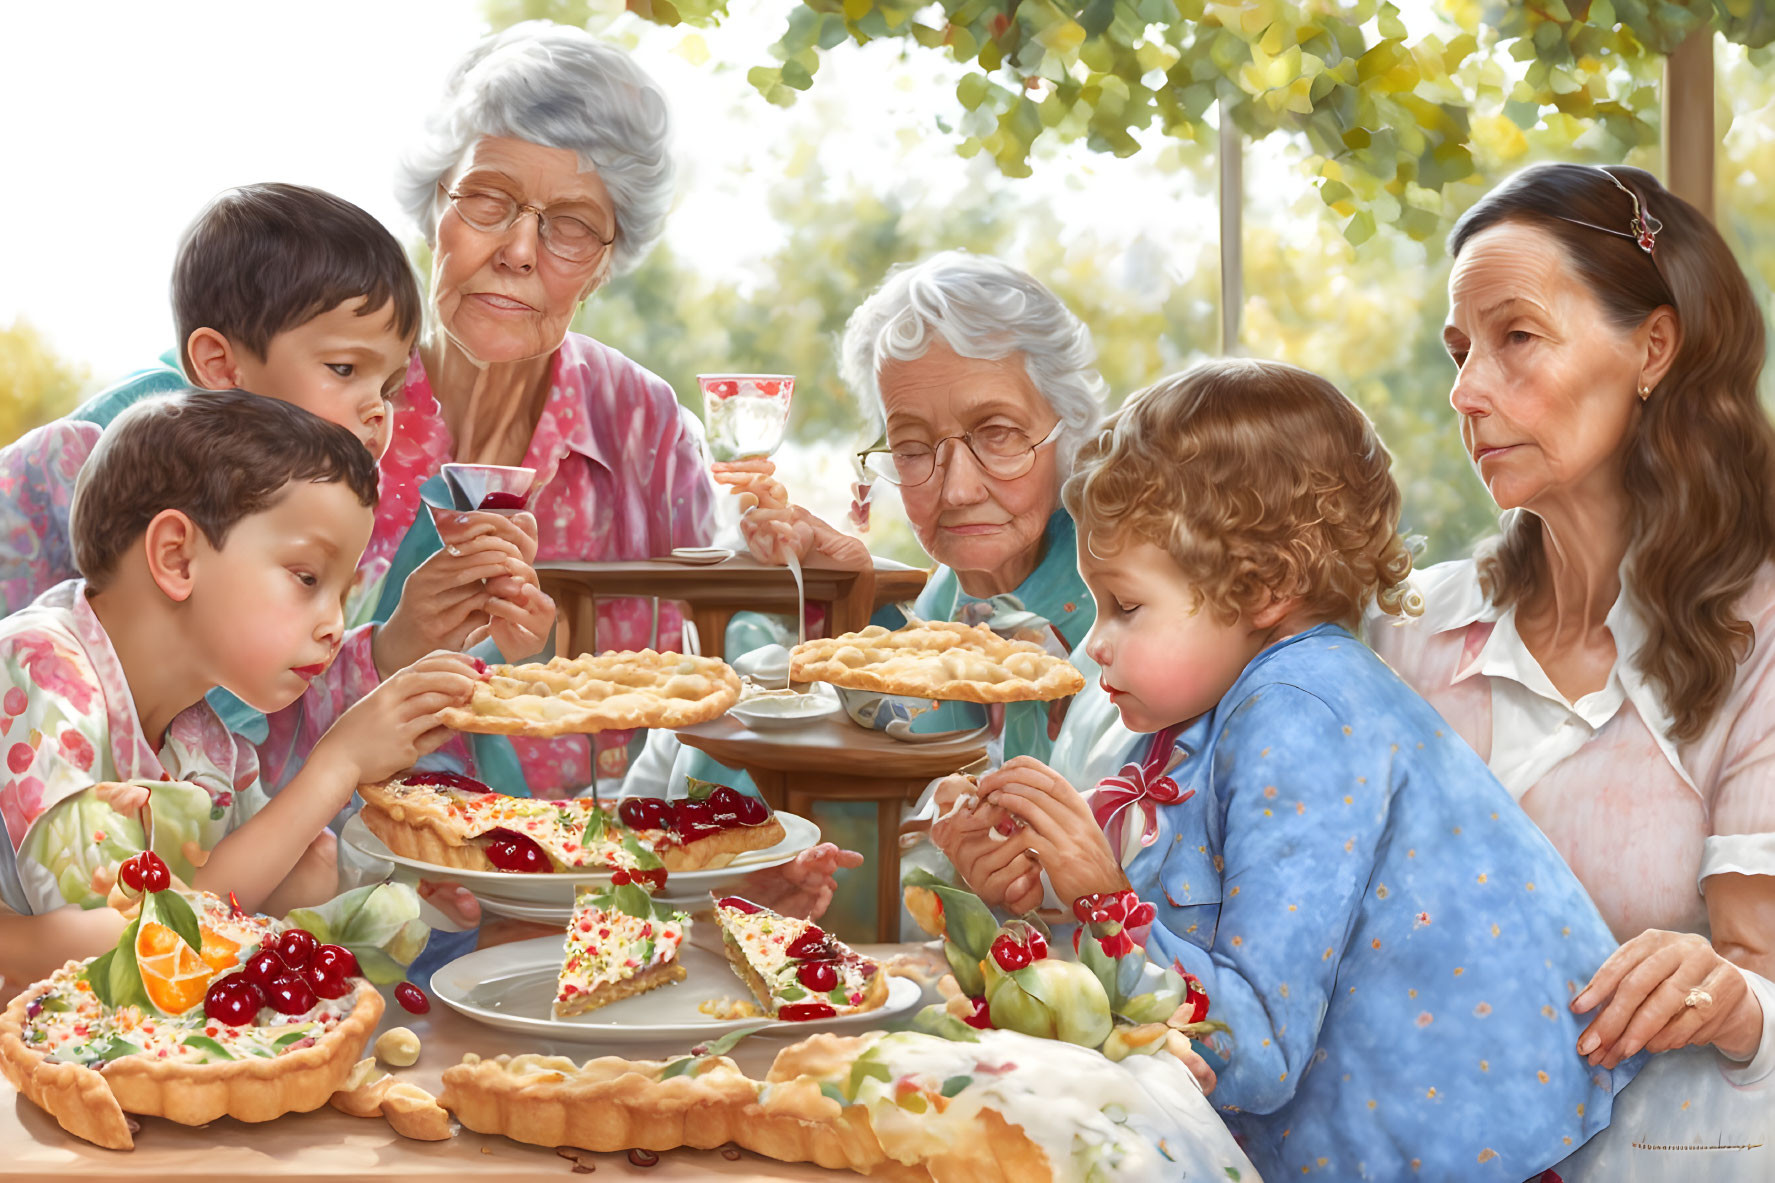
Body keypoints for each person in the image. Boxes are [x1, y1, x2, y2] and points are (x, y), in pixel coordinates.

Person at [935, 360, 1638, 1180]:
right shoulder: (1200, 706)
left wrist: (1097, 893)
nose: (1096, 642)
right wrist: (1026, 886)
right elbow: (1162, 947)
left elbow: (1255, 1050)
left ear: (1263, 587)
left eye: (1126, 605)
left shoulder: (1306, 711)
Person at [1371, 162, 1775, 1180]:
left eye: (1515, 338)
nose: (1466, 393)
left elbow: (1757, 970)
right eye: (1459, 352)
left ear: (1652, 346)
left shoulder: (1759, 633)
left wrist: (1725, 994)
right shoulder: (1410, 630)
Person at [0, 390, 480, 987]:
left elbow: (278, 876)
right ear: (177, 558)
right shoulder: (37, 666)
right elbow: (123, 943)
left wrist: (403, 888)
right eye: (307, 578)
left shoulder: (206, 744)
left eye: (343, 592)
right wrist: (339, 764)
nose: (335, 624)